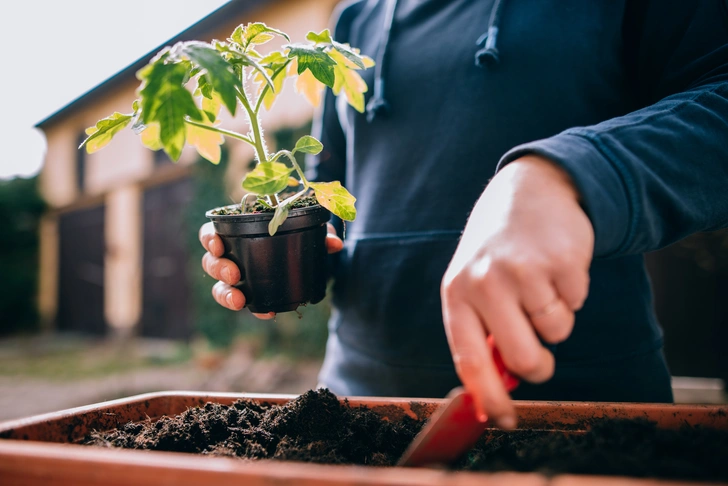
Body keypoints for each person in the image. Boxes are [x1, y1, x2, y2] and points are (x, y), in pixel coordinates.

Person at [199, 0, 728, 429]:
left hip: (577, 417)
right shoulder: (352, 21)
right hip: (354, 413)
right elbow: (331, 196)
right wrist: (275, 253)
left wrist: (566, 173)